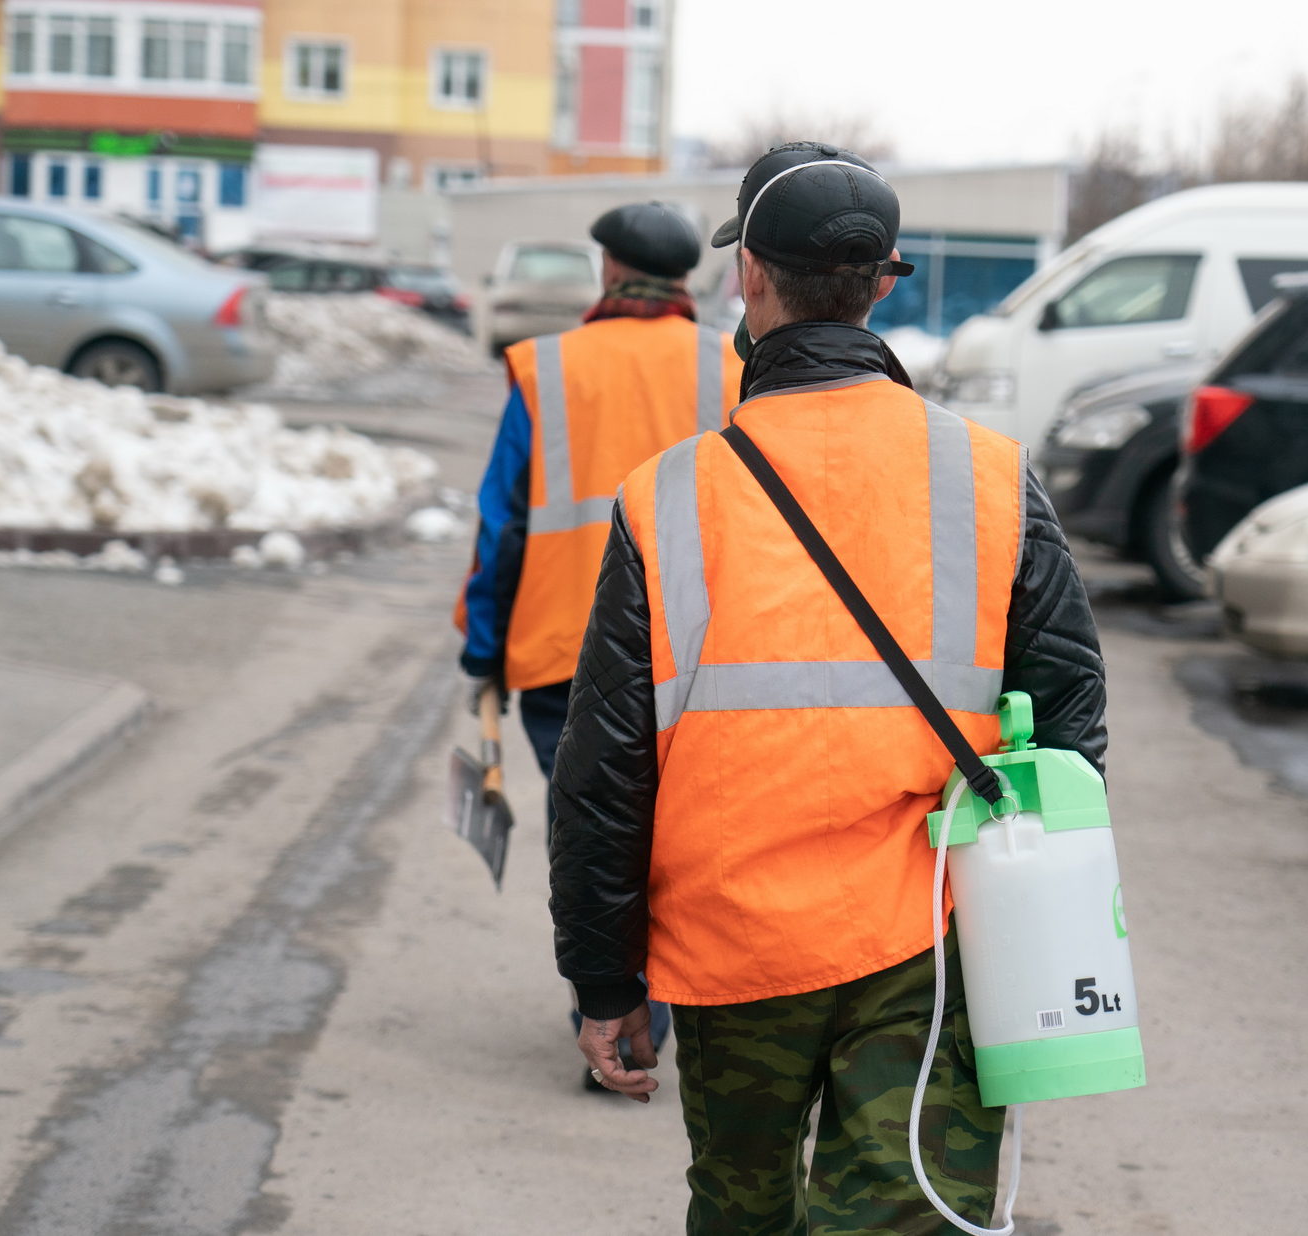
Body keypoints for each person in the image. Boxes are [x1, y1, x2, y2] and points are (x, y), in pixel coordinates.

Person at [548, 142, 1108, 1234]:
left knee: (742, 1210)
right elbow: (1071, 721)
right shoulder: (991, 474)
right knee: (911, 1216)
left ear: (750, 277)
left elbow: (604, 767)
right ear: (884, 277)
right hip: (931, 941)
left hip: (733, 944)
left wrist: (604, 982)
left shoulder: (670, 498)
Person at [455, 200, 744, 1086]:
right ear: (688, 279)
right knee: (674, 835)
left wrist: (483, 647)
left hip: (563, 655)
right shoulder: (735, 366)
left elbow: (503, 521)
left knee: (597, 834)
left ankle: (614, 1017)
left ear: (609, 271)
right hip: (699, 654)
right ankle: (662, 1007)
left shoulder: (548, 368)